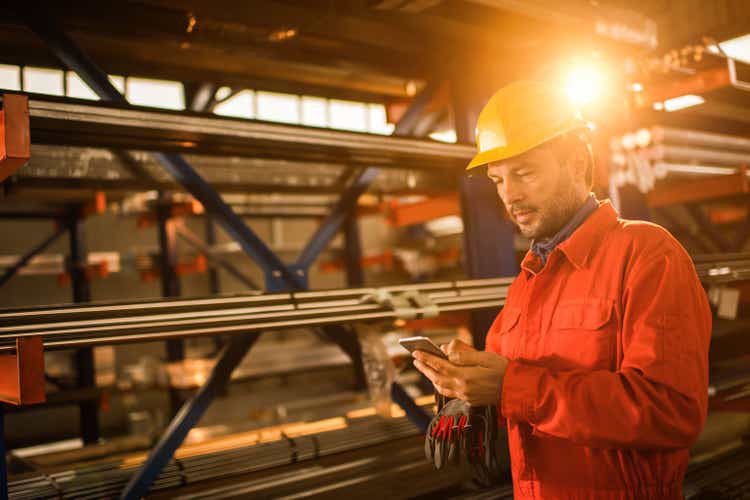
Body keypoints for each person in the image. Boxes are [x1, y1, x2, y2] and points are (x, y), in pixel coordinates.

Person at [412, 81, 711, 499]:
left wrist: (510, 388)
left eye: (525, 172)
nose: (509, 195)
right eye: (498, 180)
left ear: (575, 163)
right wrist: (467, 386)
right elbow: (516, 398)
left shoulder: (646, 253)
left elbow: (670, 411)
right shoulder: (528, 279)